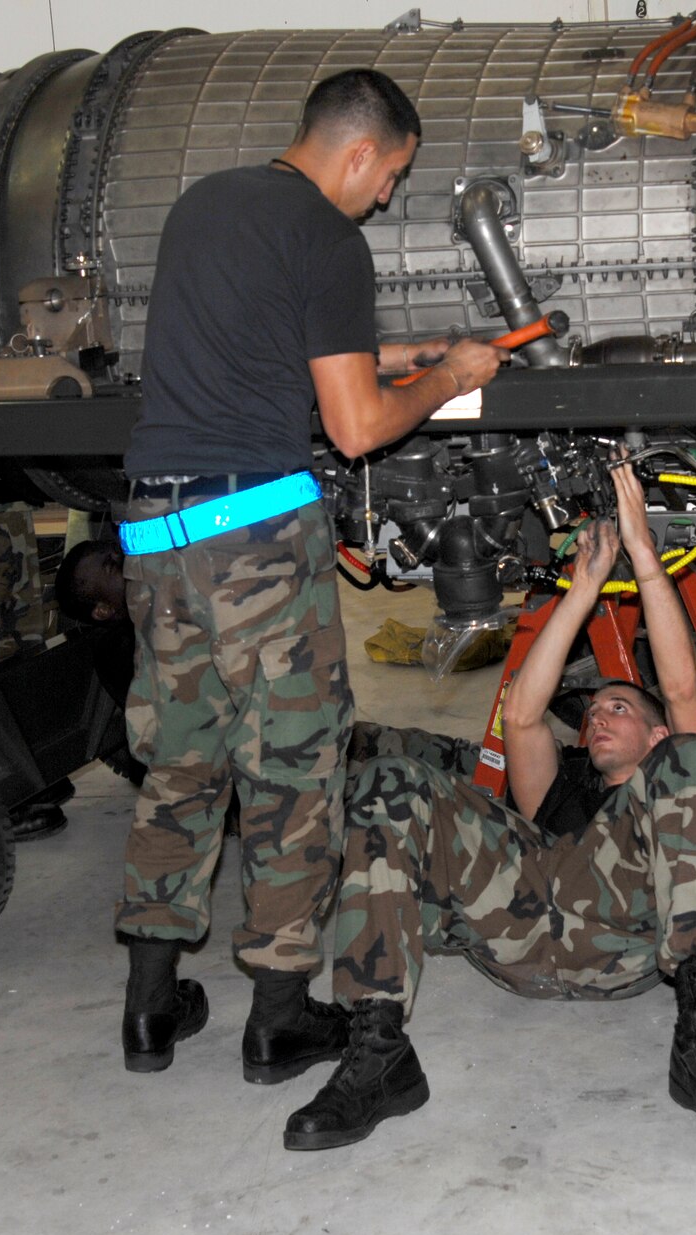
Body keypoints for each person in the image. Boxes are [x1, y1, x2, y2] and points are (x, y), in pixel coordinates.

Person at [114, 68, 507, 1079]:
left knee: (182, 763)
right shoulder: (332, 238)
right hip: (251, 537)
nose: (383, 198)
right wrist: (447, 376)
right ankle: (279, 1015)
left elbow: (255, 350)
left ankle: (151, 1009)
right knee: (291, 771)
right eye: (389, 178)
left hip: (156, 531)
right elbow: (356, 427)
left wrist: (389, 350)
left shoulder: (206, 203)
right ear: (360, 152)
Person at [282, 462, 696, 1150]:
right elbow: (522, 715)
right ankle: (378, 1051)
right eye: (596, 708)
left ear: (654, 731)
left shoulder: (671, 765)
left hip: (618, 939)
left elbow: (684, 688)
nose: (600, 716)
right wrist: (581, 589)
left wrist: (644, 561)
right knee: (393, 777)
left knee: (695, 762)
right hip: (511, 923)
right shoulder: (561, 783)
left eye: (622, 708)